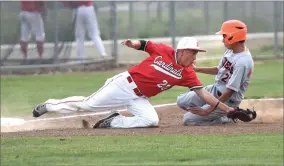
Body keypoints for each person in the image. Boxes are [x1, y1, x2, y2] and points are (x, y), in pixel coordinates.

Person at [32, 37, 236, 129]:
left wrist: (229, 111)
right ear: (182, 51)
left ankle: (112, 121)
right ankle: (50, 105)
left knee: (151, 121)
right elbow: (145, 44)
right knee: (87, 104)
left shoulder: (187, 73)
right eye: (193, 53)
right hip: (123, 85)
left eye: (196, 53)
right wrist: (133, 44)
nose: (195, 57)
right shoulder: (163, 50)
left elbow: (205, 95)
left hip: (138, 97)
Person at [176, 20, 254, 126]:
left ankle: (227, 116)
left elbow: (230, 91)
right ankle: (215, 112)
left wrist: (209, 109)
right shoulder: (230, 51)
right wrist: (198, 69)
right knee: (181, 101)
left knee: (188, 119)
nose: (223, 40)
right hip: (214, 90)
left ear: (233, 36)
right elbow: (218, 70)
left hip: (227, 100)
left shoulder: (243, 62)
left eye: (224, 36)